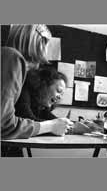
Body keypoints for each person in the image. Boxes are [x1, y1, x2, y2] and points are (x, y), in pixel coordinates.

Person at [1, 25, 72, 157]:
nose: (46, 51)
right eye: (46, 44)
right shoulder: (12, 57)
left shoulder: (7, 56)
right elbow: (4, 125)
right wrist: (50, 126)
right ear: (37, 41)